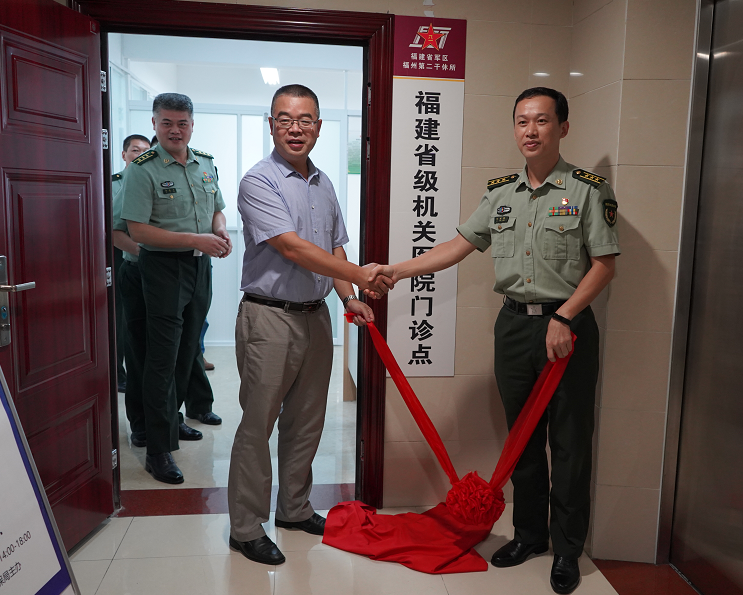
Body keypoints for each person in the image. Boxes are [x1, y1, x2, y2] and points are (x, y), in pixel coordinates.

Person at [368, 87, 620, 594]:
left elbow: (604, 265)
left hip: (566, 329)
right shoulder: (501, 193)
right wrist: (397, 270)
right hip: (514, 329)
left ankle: (567, 548)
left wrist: (565, 316)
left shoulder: (587, 190)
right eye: (522, 121)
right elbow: (458, 246)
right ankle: (528, 535)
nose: (531, 130)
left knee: (569, 443)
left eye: (542, 121)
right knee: (521, 440)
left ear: (563, 128)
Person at [227, 84, 392, 566]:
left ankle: (294, 508)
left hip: (316, 317)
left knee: (306, 422)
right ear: (271, 125)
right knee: (258, 424)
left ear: (318, 127)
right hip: (268, 318)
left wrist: (349, 295)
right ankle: (245, 527)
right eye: (285, 119)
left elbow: (334, 246)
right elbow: (293, 247)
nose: (295, 128)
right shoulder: (258, 181)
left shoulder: (323, 183)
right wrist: (360, 274)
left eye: (305, 120)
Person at [120, 93, 228, 484]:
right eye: (167, 123)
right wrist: (196, 240)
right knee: (161, 359)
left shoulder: (205, 163)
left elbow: (217, 207)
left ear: (192, 125)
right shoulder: (142, 169)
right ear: (155, 124)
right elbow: (137, 230)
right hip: (163, 268)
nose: (175, 130)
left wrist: (218, 231)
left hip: (200, 268)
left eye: (182, 123)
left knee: (188, 354)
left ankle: (173, 419)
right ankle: (158, 450)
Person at [112, 134, 151, 393]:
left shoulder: (151, 179)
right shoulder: (113, 182)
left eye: (146, 150)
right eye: (135, 150)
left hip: (151, 255)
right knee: (122, 318)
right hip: (120, 254)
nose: (141, 154)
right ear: (124, 154)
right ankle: (119, 373)